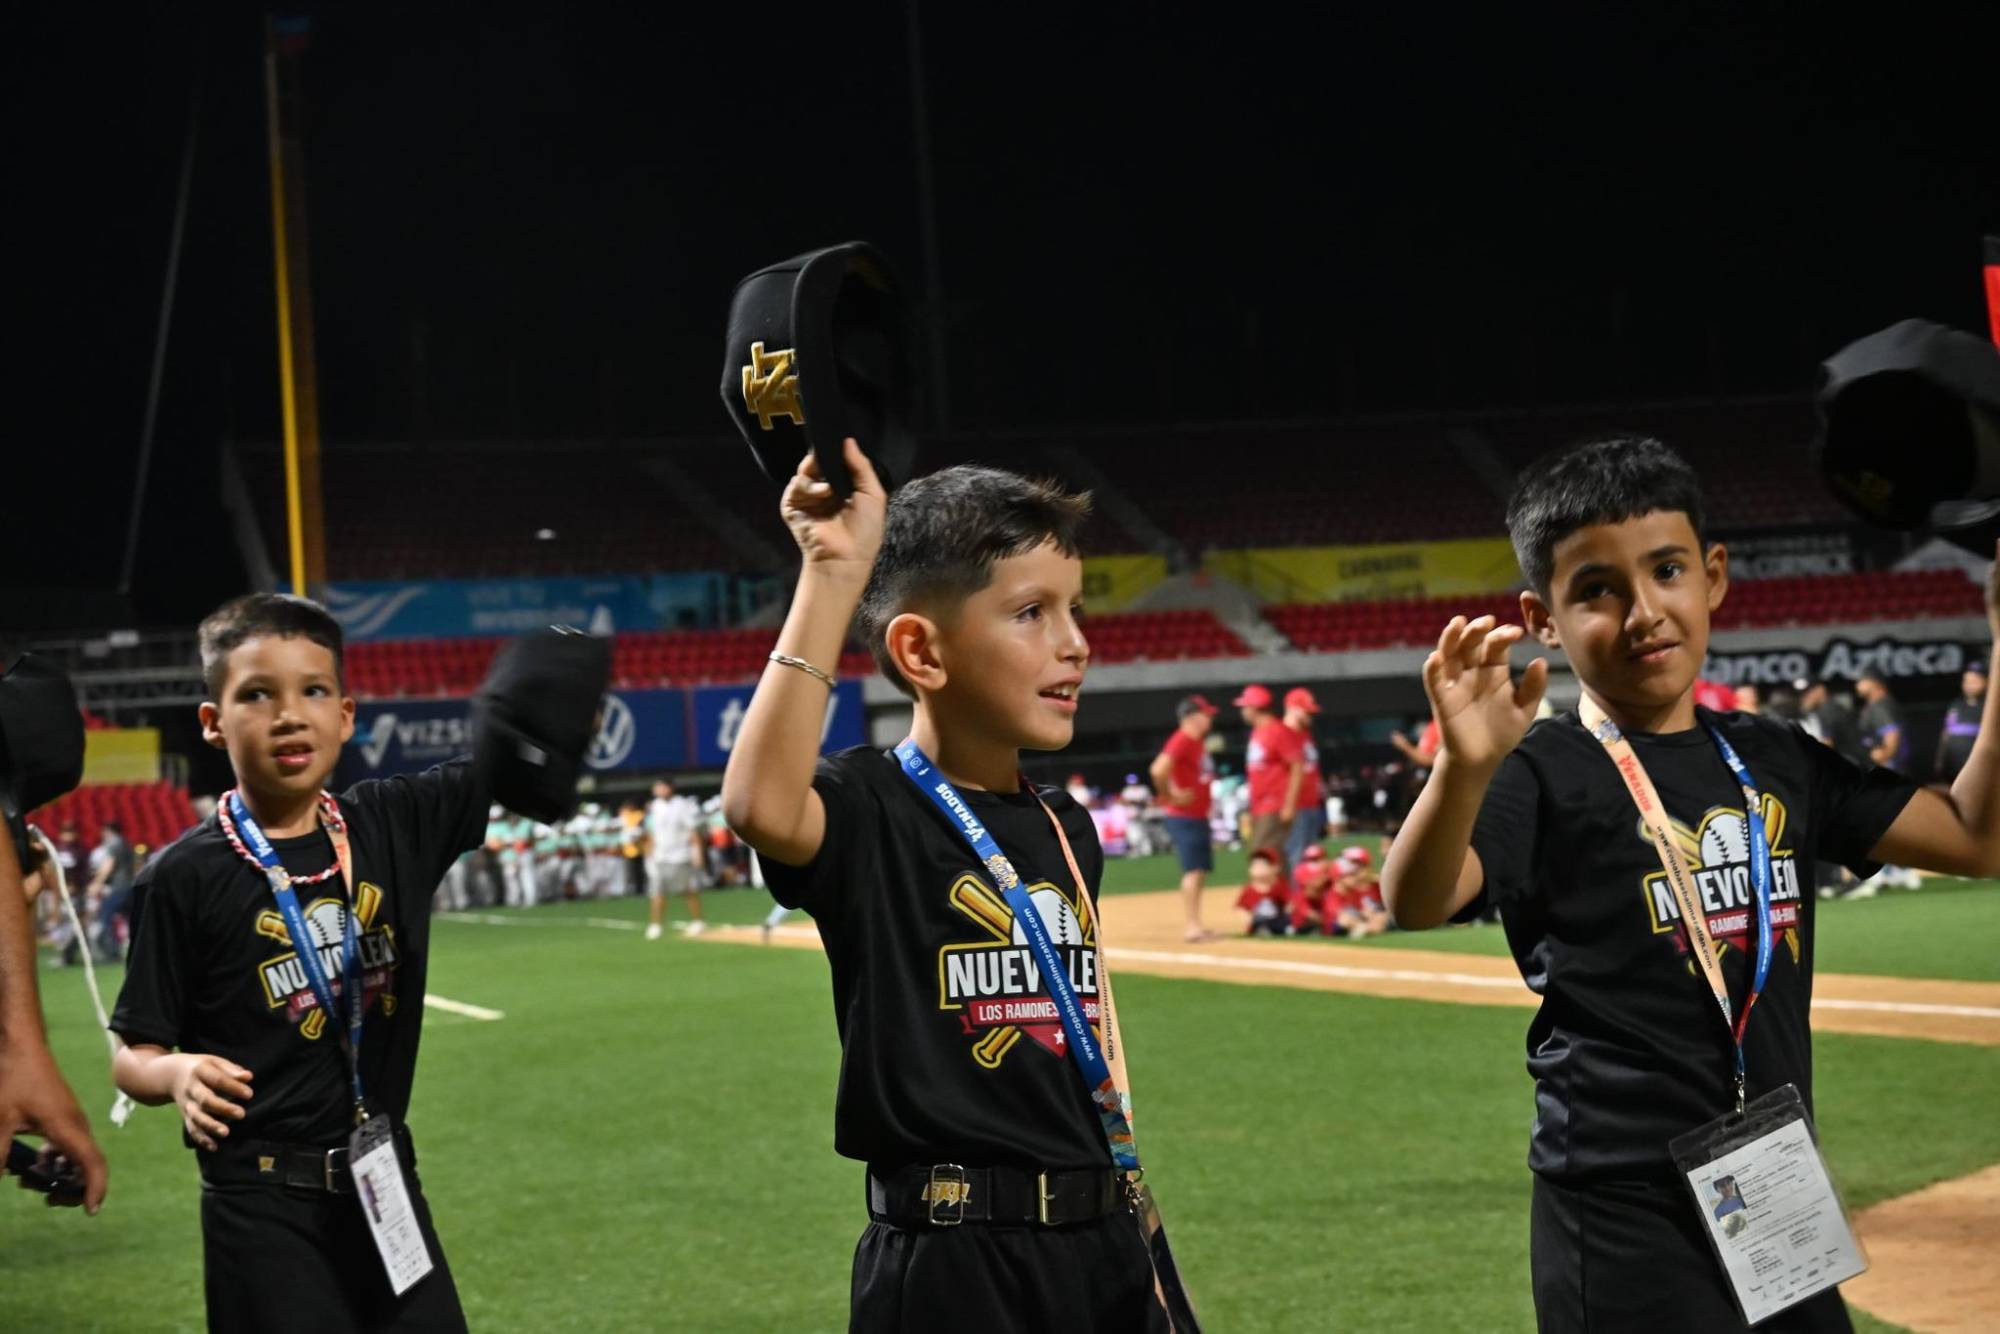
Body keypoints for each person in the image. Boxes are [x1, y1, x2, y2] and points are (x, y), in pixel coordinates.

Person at [1381, 437, 2000, 1333]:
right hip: (1623, 1211)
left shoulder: (1776, 755)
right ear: (1543, 618)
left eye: (1667, 571)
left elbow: (1978, 838)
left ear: (1713, 576)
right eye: (1598, 589)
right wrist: (1462, 770)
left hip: (1774, 1183)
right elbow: (1417, 898)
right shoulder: (1544, 770)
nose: (1644, 612)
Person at [722, 444, 1176, 1331]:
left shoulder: (1065, 825)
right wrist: (831, 573)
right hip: (954, 1260)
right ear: (920, 651)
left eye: (1075, 610)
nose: (1075, 643)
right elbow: (758, 804)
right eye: (1032, 613)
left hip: (1100, 1237)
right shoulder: (869, 808)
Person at [108, 593, 601, 1332]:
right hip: (261, 1203)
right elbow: (132, 1054)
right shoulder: (182, 878)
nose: (288, 715)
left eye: (313, 690)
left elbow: (511, 752)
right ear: (212, 722)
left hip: (384, 1181)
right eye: (257, 695)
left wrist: (561, 665)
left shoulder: (396, 820)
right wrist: (174, 1074)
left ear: (345, 715)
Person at [1149, 694, 1219, 942]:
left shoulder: (1195, 742)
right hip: (1184, 815)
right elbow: (1158, 769)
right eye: (1205, 714)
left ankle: (1197, 923)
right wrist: (1169, 796)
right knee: (1193, 870)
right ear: (1191, 717)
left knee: (1198, 871)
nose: (1209, 719)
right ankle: (1192, 926)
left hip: (1195, 814)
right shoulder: (1183, 739)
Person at [1854, 672, 1922, 891]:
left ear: (1875, 683)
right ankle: (1895, 872)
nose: (1858, 684)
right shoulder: (1878, 705)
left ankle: (1895, 873)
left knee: (1880, 824)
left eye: (1862, 680)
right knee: (1887, 826)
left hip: (1888, 772)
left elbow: (1892, 737)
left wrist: (1882, 759)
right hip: (1890, 773)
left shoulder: (1881, 705)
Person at [1237, 683, 1306, 882]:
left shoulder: (1277, 731)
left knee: (1262, 855)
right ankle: (1283, 895)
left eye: (1245, 706)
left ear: (1255, 707)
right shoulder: (1258, 732)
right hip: (1261, 805)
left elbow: (1297, 766)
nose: (1242, 711)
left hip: (1275, 804)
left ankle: (1271, 896)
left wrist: (1289, 804)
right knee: (1274, 855)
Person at [643, 778, 705, 940]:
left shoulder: (683, 805)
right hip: (660, 856)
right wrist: (649, 851)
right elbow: (652, 831)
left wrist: (697, 852)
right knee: (657, 891)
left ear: (670, 788)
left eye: (661, 787)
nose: (658, 790)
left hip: (680, 854)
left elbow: (693, 830)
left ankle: (698, 921)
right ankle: (656, 924)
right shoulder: (654, 806)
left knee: (687, 889)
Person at [1281, 688, 1327, 874]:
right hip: (1295, 806)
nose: (1310, 715)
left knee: (1310, 856)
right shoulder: (1282, 733)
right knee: (1296, 855)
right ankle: (1293, 892)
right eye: (1306, 711)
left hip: (1311, 803)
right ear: (1292, 708)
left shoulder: (1305, 734)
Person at [1935, 661, 1986, 785]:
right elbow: (1946, 733)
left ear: (1986, 682)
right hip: (1954, 767)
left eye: (1975, 681)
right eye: (1967, 681)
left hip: (1979, 769)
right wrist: (1940, 759)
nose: (1970, 685)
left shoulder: (1990, 709)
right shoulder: (1955, 705)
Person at [1234, 847, 1289, 935]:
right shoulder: (1249, 889)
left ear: (1275, 868)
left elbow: (1289, 904)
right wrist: (1248, 920)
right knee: (1260, 924)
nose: (1257, 868)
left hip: (1276, 922)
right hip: (1257, 924)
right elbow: (1242, 908)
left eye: (1262, 865)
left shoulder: (1280, 885)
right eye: (1254, 865)